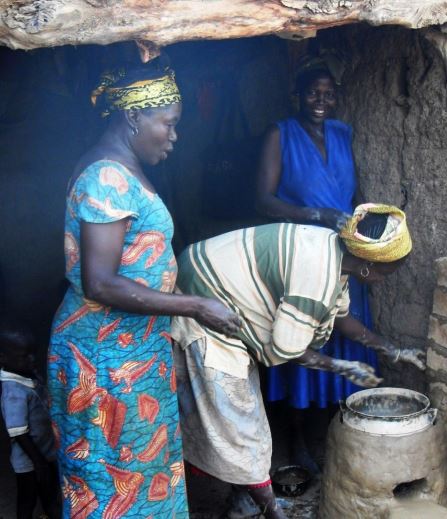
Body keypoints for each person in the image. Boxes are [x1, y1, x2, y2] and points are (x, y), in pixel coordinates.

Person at [47, 60, 241, 518]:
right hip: (104, 361)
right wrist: (195, 306)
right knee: (110, 476)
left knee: (141, 471)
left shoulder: (122, 168)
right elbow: (100, 281)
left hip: (131, 353)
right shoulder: (106, 177)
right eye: (168, 124)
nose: (174, 137)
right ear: (133, 117)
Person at [171, 205, 424, 519]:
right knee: (244, 431)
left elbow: (342, 320)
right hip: (204, 305)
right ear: (368, 267)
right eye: (389, 271)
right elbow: (291, 349)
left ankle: (242, 494)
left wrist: (392, 349)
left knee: (233, 421)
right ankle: (270, 511)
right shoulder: (315, 278)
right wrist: (343, 367)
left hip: (214, 287)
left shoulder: (336, 254)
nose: (388, 279)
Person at [255, 55, 378, 472]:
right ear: (297, 96)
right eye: (312, 92)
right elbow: (264, 201)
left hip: (343, 255)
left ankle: (334, 434)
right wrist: (317, 215)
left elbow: (355, 194)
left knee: (344, 336)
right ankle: (297, 441)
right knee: (303, 341)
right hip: (301, 253)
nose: (321, 100)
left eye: (328, 93)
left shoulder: (344, 133)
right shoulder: (280, 134)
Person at [0, 318, 61, 519]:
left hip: (45, 452)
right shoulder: (13, 391)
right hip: (29, 459)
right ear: (3, 358)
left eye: (32, 353)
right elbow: (18, 432)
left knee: (49, 492)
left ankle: (49, 514)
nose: (31, 359)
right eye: (23, 356)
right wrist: (39, 462)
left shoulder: (27, 375)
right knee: (28, 497)